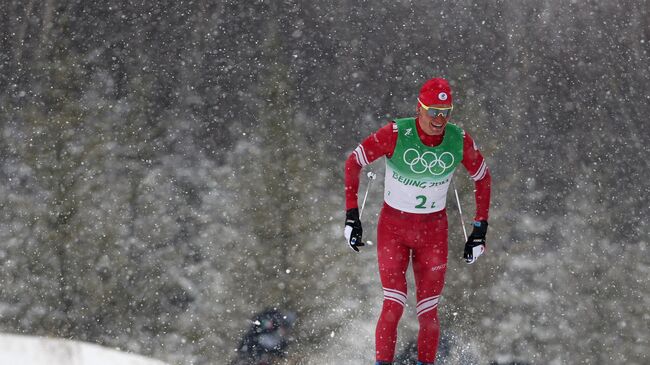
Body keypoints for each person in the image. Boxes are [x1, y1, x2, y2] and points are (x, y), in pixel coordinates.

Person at [344, 77, 491, 365]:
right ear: (419, 108)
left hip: (433, 233)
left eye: (445, 112)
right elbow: (354, 161)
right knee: (393, 305)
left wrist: (479, 230)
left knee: (428, 311)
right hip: (393, 231)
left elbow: (483, 178)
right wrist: (352, 216)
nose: (439, 119)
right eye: (433, 111)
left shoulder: (457, 140)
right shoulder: (396, 134)